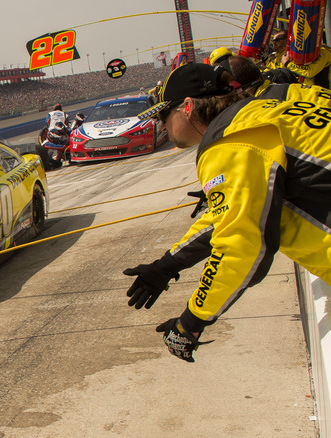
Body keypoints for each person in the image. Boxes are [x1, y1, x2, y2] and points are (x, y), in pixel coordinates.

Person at [127, 62, 331, 362]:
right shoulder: (272, 107)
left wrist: (190, 324)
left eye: (163, 115)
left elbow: (241, 244)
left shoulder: (230, 140)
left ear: (187, 107)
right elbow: (234, 214)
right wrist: (167, 265)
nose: (161, 126)